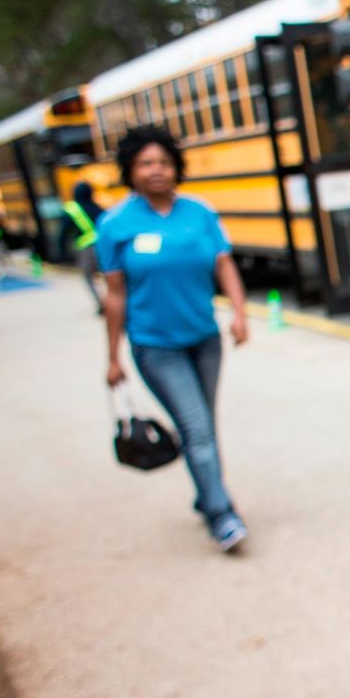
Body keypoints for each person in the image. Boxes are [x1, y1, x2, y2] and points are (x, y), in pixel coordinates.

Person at [98, 125, 250, 553]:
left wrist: (239, 314)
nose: (157, 171)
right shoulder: (115, 224)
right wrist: (113, 358)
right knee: (196, 427)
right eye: (146, 163)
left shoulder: (199, 213)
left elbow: (224, 266)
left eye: (164, 162)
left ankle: (206, 495)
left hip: (204, 339)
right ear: (131, 169)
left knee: (203, 425)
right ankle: (222, 514)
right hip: (155, 346)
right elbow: (115, 295)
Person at [60, 180, 106, 313]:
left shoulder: (72, 209)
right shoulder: (98, 207)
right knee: (109, 275)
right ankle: (112, 300)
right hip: (103, 247)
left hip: (86, 249)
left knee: (89, 277)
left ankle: (100, 303)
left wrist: (62, 253)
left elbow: (63, 233)